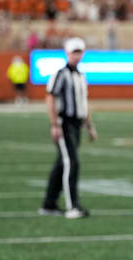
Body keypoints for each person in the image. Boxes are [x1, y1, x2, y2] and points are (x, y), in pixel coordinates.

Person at [40, 37, 97, 219]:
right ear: (67, 53)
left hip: (77, 124)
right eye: (74, 52)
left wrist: (89, 125)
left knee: (62, 164)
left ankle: (49, 203)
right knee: (71, 163)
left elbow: (84, 103)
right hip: (64, 123)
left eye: (79, 51)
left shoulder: (81, 76)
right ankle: (72, 206)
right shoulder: (60, 74)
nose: (77, 55)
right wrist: (55, 123)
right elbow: (50, 98)